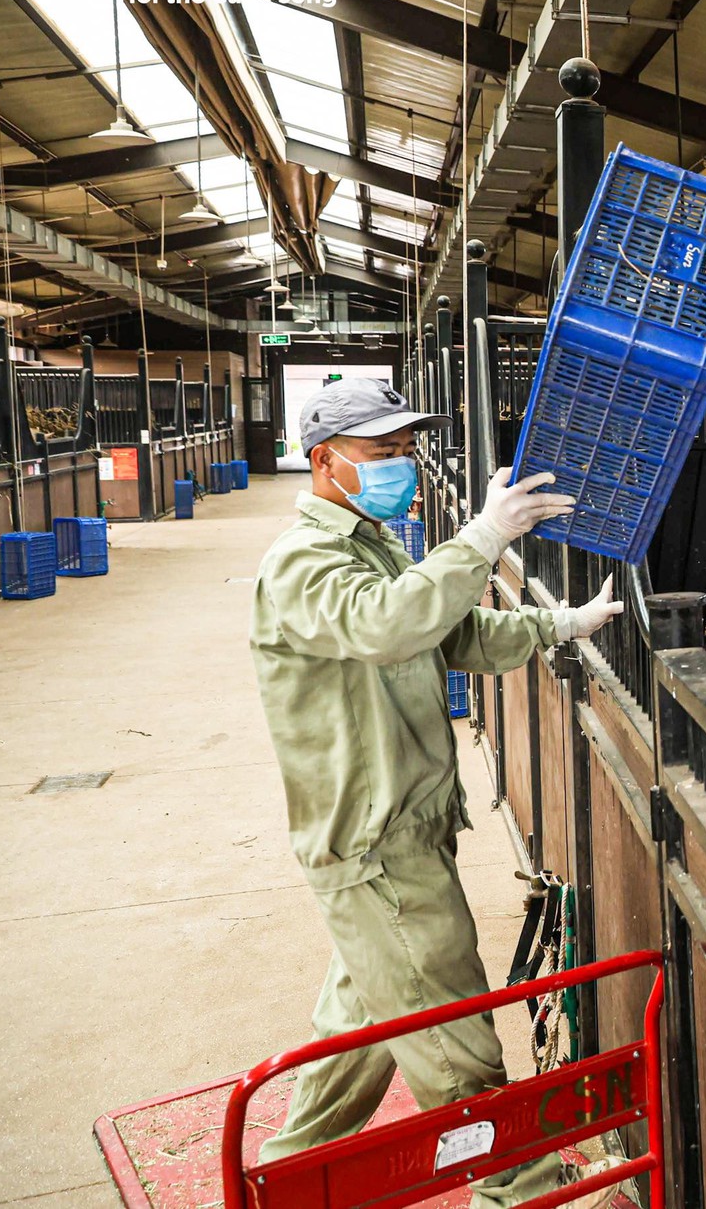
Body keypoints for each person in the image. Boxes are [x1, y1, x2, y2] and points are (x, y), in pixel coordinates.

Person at [249, 378, 623, 1203]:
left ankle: (283, 1177)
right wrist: (483, 536)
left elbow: (450, 631)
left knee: (361, 1030)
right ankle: (519, 1191)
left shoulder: (372, 543)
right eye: (383, 452)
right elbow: (390, 624)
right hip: (377, 848)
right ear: (326, 461)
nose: (404, 464)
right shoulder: (303, 562)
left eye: (407, 449)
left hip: (400, 833)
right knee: (458, 1052)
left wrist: (561, 623)